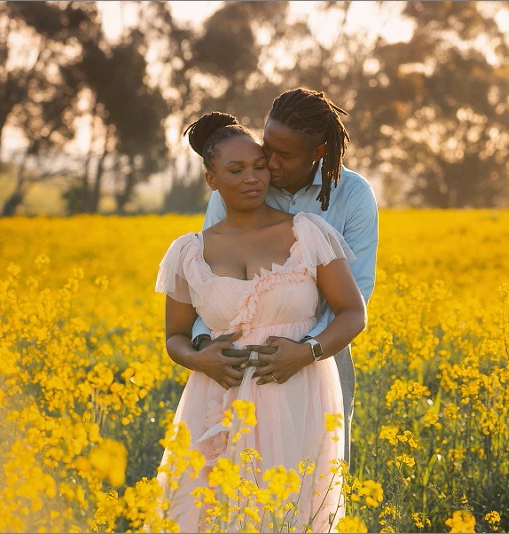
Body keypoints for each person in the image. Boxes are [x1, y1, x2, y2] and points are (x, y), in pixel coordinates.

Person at [154, 111, 367, 533]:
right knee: (207, 514)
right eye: (236, 170)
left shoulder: (308, 232)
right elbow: (175, 337)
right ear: (211, 180)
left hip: (297, 395)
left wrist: (305, 353)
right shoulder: (188, 252)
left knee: (288, 513)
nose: (254, 177)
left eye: (258, 166)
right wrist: (201, 361)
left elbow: (354, 312)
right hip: (215, 399)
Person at [190, 88, 379, 469]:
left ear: (318, 152)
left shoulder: (353, 195)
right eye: (267, 146)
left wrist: (303, 351)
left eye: (286, 155)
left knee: (311, 489)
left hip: (321, 357)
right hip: (236, 365)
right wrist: (204, 343)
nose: (270, 164)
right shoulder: (243, 182)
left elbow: (356, 293)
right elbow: (208, 277)